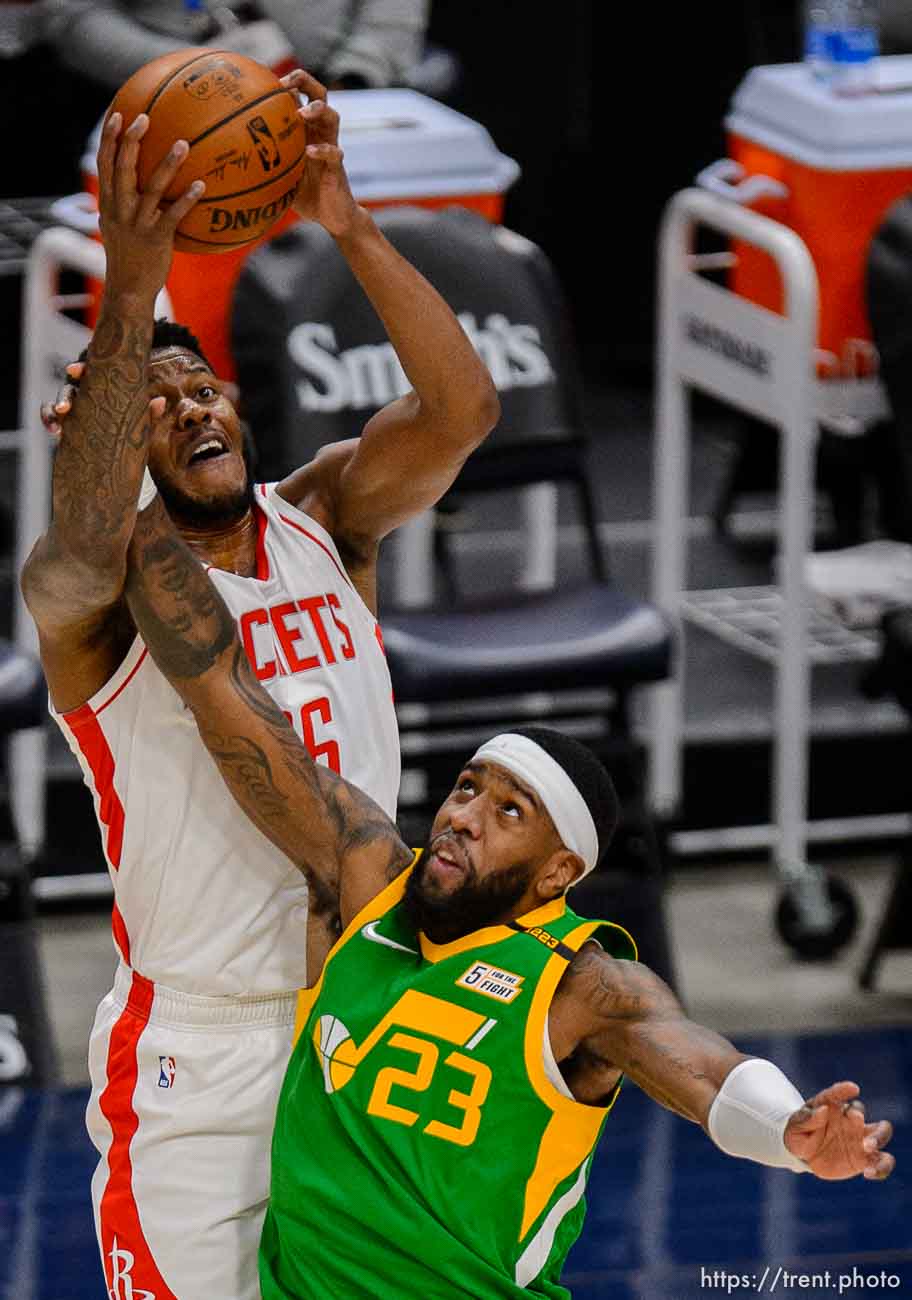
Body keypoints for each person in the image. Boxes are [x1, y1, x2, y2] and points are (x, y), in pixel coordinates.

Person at [120, 485, 895, 1299]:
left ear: (558, 874)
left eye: (508, 811)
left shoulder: (582, 986)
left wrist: (788, 1131)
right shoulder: (369, 880)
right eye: (466, 787)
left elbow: (708, 1073)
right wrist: (130, 483)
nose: (463, 817)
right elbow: (224, 694)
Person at [21, 69, 498, 1300]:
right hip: (204, 1047)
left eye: (203, 386)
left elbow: (462, 406)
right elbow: (80, 527)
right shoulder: (102, 599)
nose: (188, 408)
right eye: (155, 400)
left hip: (367, 1019)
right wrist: (133, 286)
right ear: (119, 438)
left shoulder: (326, 518)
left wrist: (347, 220)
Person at [43, 0, 431, 93]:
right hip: (163, 108)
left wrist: (358, 76)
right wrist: (192, 73)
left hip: (344, 96)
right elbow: (70, 11)